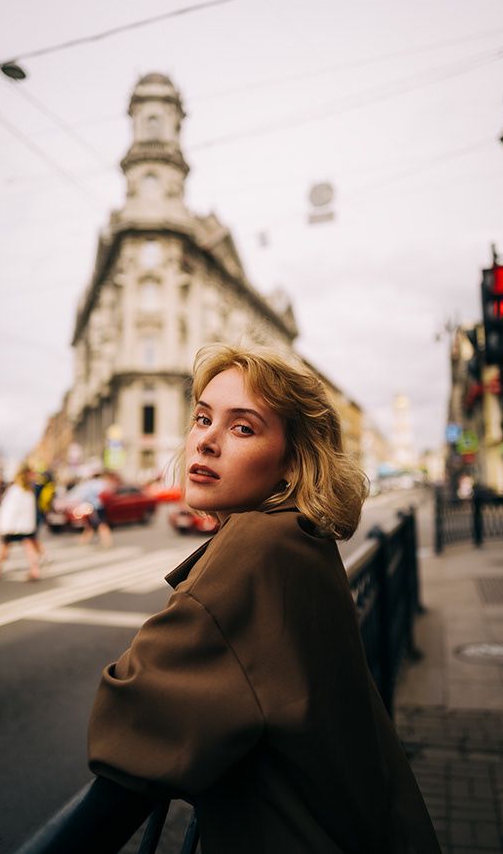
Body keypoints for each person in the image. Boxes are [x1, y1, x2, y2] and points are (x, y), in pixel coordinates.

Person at [88, 344, 441, 853]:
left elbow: (125, 726)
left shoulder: (259, 546)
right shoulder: (299, 538)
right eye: (203, 418)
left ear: (292, 463)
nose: (205, 441)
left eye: (242, 427)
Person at [0, 465, 42, 581]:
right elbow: (30, 511)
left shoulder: (15, 490)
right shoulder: (28, 490)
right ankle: (35, 570)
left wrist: (3, 526)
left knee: (5, 549)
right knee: (28, 547)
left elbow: (8, 510)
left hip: (13, 526)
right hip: (25, 526)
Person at [78, 471, 113, 547]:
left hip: (92, 507)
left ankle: (84, 540)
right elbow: (108, 493)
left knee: (93, 524)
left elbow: (84, 497)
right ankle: (106, 541)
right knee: (101, 524)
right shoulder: (101, 483)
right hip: (100, 506)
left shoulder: (88, 485)